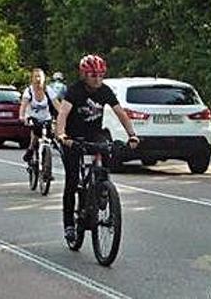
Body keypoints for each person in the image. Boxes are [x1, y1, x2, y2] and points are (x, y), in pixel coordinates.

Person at [55, 54, 140, 243]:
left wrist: (132, 134)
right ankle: (69, 224)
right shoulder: (75, 91)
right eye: (93, 75)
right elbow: (63, 113)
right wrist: (62, 135)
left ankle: (103, 188)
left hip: (94, 133)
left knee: (107, 147)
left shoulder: (105, 91)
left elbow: (120, 113)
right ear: (84, 75)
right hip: (73, 137)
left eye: (101, 75)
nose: (97, 79)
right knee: (72, 180)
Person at [19, 68, 61, 162]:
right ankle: (30, 150)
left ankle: (47, 164)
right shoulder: (29, 91)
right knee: (36, 132)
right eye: (36, 77)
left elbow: (57, 104)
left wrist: (63, 115)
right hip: (32, 117)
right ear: (32, 79)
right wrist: (21, 116)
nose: (38, 79)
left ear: (44, 78)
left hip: (46, 118)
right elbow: (23, 105)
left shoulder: (48, 90)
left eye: (40, 77)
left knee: (51, 134)